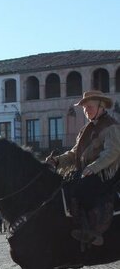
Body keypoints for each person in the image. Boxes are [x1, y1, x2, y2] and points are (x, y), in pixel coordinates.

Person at [46, 90, 120, 246]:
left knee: (80, 189)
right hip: (86, 172)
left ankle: (91, 230)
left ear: (101, 106)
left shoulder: (111, 126)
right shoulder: (85, 130)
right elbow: (74, 154)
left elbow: (112, 153)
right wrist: (57, 161)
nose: (86, 111)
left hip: (105, 173)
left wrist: (93, 168)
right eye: (84, 108)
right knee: (64, 187)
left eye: (90, 107)